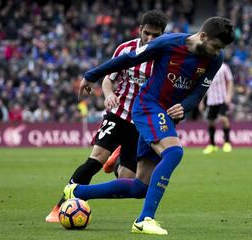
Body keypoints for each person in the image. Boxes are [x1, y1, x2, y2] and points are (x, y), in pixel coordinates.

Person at [63, 17, 235, 235]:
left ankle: (77, 191)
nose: (216, 51)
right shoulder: (169, 43)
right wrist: (91, 76)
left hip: (167, 116)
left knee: (139, 187)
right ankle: (144, 220)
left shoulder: (216, 58)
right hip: (148, 106)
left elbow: (200, 91)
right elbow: (128, 60)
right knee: (173, 153)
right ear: (202, 36)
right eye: (215, 46)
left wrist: (185, 106)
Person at [45, 9, 168, 223]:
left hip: (141, 123)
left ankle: (118, 157)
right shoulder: (125, 49)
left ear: (163, 35)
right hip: (118, 113)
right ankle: (61, 204)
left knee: (128, 179)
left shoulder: (165, 58)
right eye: (147, 33)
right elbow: (108, 79)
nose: (150, 38)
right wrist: (109, 94)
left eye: (156, 35)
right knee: (96, 158)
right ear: (140, 29)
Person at [202, 62, 234, 154]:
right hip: (211, 100)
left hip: (222, 98)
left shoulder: (224, 67)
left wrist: (229, 95)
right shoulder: (207, 67)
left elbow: (230, 81)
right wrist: (202, 102)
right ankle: (212, 145)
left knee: (224, 119)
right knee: (211, 122)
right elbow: (204, 85)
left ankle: (227, 143)